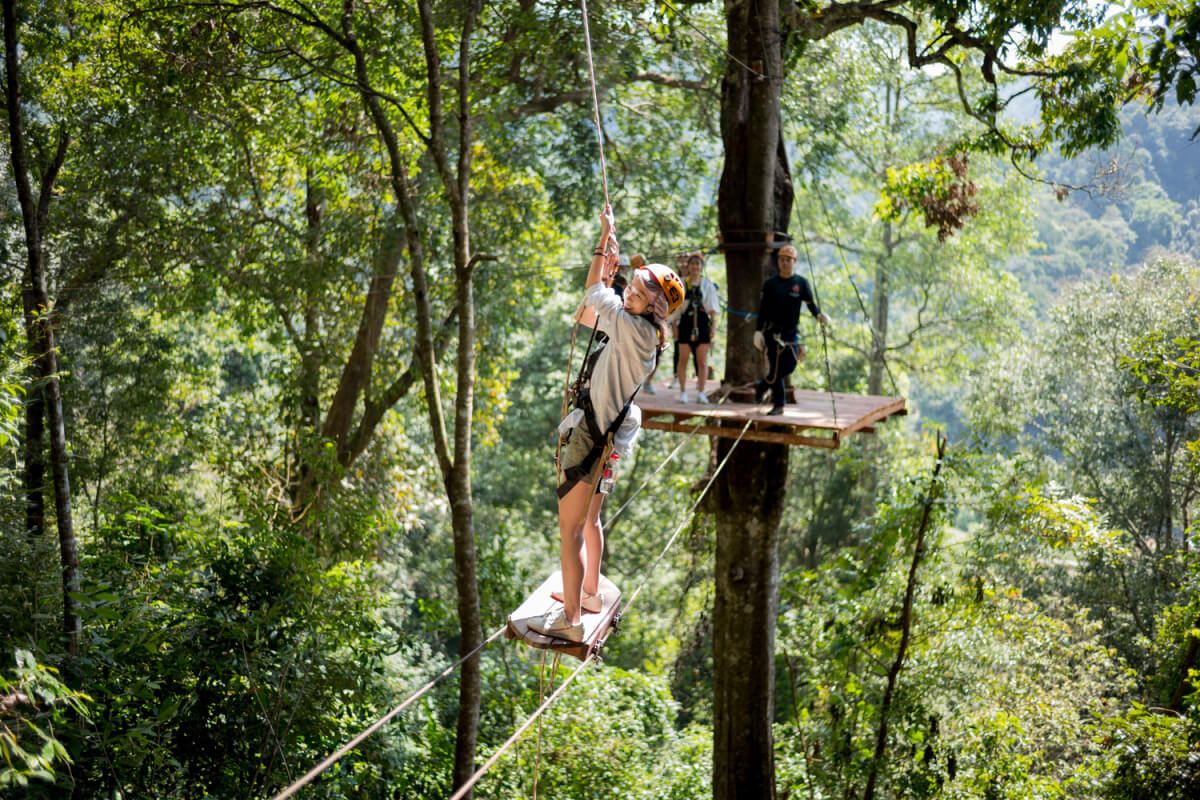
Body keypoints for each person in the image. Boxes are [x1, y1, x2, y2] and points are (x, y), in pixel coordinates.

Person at [530, 207, 684, 642]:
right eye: (631, 286)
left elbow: (595, 290)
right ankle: (591, 593)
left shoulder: (630, 326)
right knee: (591, 520)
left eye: (637, 290)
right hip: (613, 436)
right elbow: (588, 311)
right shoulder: (645, 332)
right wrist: (610, 266)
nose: (629, 291)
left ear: (653, 305)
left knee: (569, 530)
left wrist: (605, 241)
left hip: (594, 436)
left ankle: (573, 620)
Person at [753, 244, 830, 416]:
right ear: (778, 261)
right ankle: (779, 404)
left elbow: (810, 304)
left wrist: (819, 316)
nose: (785, 263)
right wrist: (758, 331)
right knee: (776, 367)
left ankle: (763, 385)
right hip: (773, 332)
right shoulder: (771, 284)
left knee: (789, 366)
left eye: (788, 260)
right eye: (782, 260)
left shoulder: (801, 283)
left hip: (791, 333)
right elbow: (763, 310)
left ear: (794, 261)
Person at [672, 251, 720, 403]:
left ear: (701, 266)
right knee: (683, 360)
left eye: (697, 264)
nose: (695, 267)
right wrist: (674, 326)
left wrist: (713, 327)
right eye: (692, 264)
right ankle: (683, 392)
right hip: (685, 324)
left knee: (702, 361)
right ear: (688, 266)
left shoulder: (707, 284)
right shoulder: (681, 283)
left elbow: (712, 309)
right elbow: (675, 309)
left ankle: (701, 392)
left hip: (702, 324)